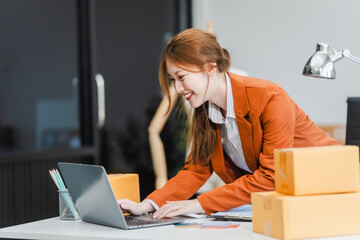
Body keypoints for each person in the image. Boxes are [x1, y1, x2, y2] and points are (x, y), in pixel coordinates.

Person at [118, 28, 339, 218]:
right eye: (172, 80)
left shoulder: (270, 98)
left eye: (182, 77)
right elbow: (197, 168)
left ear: (210, 67)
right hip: (291, 202)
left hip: (332, 188)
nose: (176, 88)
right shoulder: (205, 108)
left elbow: (272, 177)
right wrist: (147, 205)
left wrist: (200, 204)